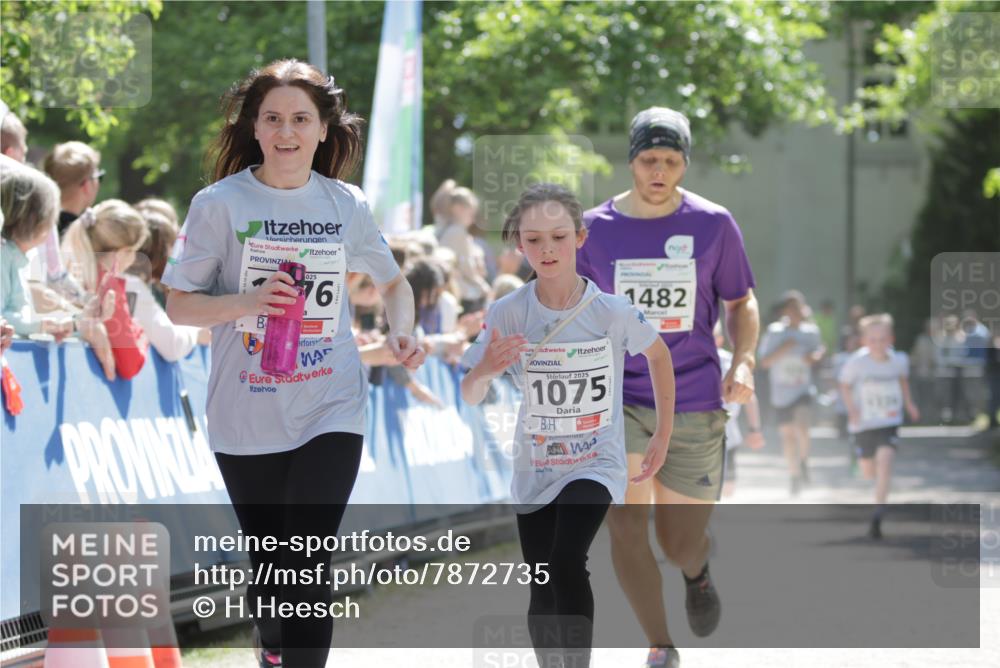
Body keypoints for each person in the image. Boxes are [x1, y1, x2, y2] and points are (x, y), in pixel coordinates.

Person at [163, 59, 424, 668]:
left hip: (330, 402)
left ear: (324, 129)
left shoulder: (346, 204)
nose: (287, 131)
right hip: (245, 410)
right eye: (273, 118)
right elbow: (178, 306)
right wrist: (247, 303)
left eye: (300, 119)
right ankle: (274, 648)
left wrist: (404, 330)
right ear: (253, 127)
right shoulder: (217, 204)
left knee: (306, 556)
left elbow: (395, 284)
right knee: (271, 563)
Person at [462, 183, 675, 668]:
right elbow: (470, 394)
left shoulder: (611, 312)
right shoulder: (508, 311)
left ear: (580, 238)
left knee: (565, 561)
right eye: (534, 240)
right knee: (541, 577)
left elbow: (659, 356)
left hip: (595, 462)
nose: (547, 249)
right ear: (519, 244)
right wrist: (486, 369)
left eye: (558, 237)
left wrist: (662, 434)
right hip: (536, 463)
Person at [576, 106, 759, 668]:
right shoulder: (594, 230)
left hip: (695, 398)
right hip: (619, 399)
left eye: (671, 160)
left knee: (678, 544)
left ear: (684, 163)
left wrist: (745, 360)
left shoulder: (713, 223)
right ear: (631, 159)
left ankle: (697, 568)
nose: (659, 170)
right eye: (649, 159)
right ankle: (662, 645)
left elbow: (740, 301)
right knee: (625, 525)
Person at [839, 314, 919, 539]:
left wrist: (909, 403)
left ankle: (878, 512)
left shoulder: (898, 361)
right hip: (863, 424)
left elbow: (903, 380)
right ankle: (862, 460)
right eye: (873, 339)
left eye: (882, 339)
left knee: (885, 462)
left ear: (891, 339)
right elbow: (844, 385)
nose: (878, 344)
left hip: (888, 421)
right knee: (868, 471)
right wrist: (852, 409)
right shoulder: (857, 362)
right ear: (864, 341)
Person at [62, 200, 151, 380]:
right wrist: (142, 333)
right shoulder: (107, 286)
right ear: (120, 252)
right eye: (131, 251)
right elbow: (130, 365)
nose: (133, 259)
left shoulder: (69, 271)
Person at [758, 290, 824, 495]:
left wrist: (813, 357)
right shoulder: (775, 331)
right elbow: (764, 362)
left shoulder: (811, 331)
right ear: (784, 311)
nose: (795, 311)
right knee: (787, 436)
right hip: (781, 393)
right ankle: (794, 475)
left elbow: (820, 351)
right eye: (791, 307)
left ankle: (803, 460)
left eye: (799, 306)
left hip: (802, 389)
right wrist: (785, 348)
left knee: (802, 427)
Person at [0, 163, 73, 339]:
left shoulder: (17, 258)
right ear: (36, 222)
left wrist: (47, 323)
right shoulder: (3, 257)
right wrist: (40, 325)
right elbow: (3, 317)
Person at [715, 321, 764, 498]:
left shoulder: (731, 362)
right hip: (696, 433)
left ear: (719, 340)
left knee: (728, 485)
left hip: (728, 433)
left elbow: (749, 396)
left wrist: (755, 429)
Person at [437, 185, 491, 313]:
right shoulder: (457, 231)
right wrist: (484, 286)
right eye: (471, 212)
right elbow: (467, 267)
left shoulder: (450, 229)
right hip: (462, 292)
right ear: (457, 209)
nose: (473, 218)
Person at [42, 141, 103, 236]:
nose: (98, 184)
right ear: (86, 185)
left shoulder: (36, 228)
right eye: (99, 177)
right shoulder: (86, 237)